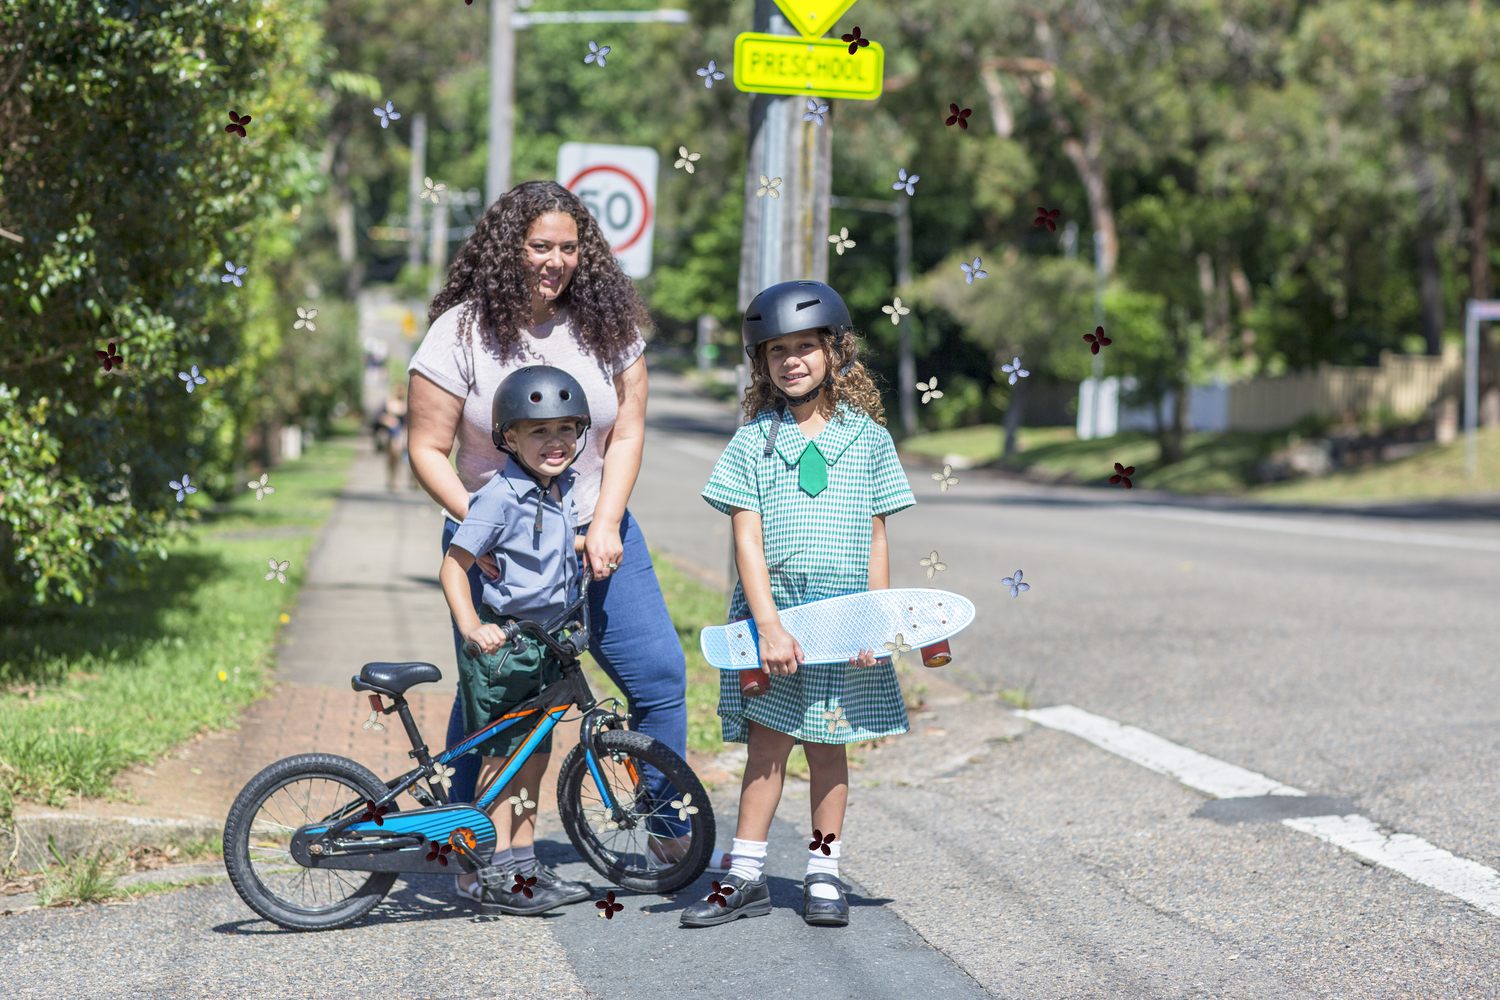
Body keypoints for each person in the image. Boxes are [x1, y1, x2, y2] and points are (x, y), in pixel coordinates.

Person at [406, 180, 732, 885]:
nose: (555, 261)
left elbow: (629, 429)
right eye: (539, 246)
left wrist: (608, 518)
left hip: (597, 531)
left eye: (569, 247)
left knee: (659, 676)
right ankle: (468, 843)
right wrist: (484, 529)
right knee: (497, 699)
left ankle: (664, 826)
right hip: (499, 546)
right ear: (508, 249)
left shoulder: (605, 326)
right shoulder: (460, 332)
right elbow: (426, 449)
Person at [681, 280, 916, 930]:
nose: (791, 361)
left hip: (842, 623)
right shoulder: (752, 442)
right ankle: (745, 874)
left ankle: (823, 871)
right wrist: (768, 627)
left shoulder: (869, 440)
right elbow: (746, 541)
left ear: (835, 351)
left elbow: (876, 536)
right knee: (767, 748)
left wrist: (873, 622)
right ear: (761, 361)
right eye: (776, 350)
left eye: (805, 347)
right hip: (775, 622)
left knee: (829, 748)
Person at [438, 365, 595, 915]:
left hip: (546, 644)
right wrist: (470, 626)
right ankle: (494, 868)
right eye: (539, 431)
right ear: (508, 438)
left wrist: (586, 546)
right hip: (503, 649)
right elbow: (453, 567)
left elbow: (544, 547)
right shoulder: (499, 498)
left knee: (532, 757)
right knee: (500, 760)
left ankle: (523, 864)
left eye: (566, 429)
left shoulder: (560, 489)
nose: (556, 441)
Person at [376, 383, 409, 490]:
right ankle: (392, 478)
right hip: (388, 434)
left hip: (401, 435)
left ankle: (398, 478)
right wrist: (388, 420)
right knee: (390, 458)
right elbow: (378, 416)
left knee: (399, 455)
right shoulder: (388, 403)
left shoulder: (406, 404)